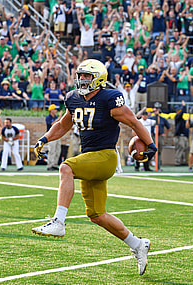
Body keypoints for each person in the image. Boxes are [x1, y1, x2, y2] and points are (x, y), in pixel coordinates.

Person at [31, 59, 157, 275]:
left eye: (87, 76)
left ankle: (59, 222)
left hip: (106, 156)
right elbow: (63, 124)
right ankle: (138, 244)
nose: (82, 79)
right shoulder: (73, 98)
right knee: (97, 214)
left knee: (66, 167)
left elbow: (134, 122)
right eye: (80, 75)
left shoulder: (109, 98)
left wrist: (151, 145)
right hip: (90, 157)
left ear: (98, 77)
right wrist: (44, 139)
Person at [149, 103, 170, 170]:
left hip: (159, 136)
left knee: (159, 151)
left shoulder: (162, 119)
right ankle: (147, 166)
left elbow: (168, 127)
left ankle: (158, 166)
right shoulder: (151, 118)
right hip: (152, 136)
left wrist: (165, 134)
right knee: (150, 150)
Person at [46, 104, 63, 171]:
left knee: (57, 150)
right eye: (55, 109)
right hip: (51, 136)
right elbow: (52, 124)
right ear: (51, 110)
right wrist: (60, 117)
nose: (56, 111)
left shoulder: (55, 116)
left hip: (57, 135)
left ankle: (54, 164)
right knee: (52, 150)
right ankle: (50, 165)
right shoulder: (48, 117)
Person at [174, 101, 189, 166]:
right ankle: (177, 161)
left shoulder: (183, 119)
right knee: (181, 148)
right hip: (179, 136)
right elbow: (182, 113)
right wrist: (184, 106)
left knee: (185, 148)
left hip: (184, 135)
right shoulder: (177, 117)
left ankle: (183, 161)